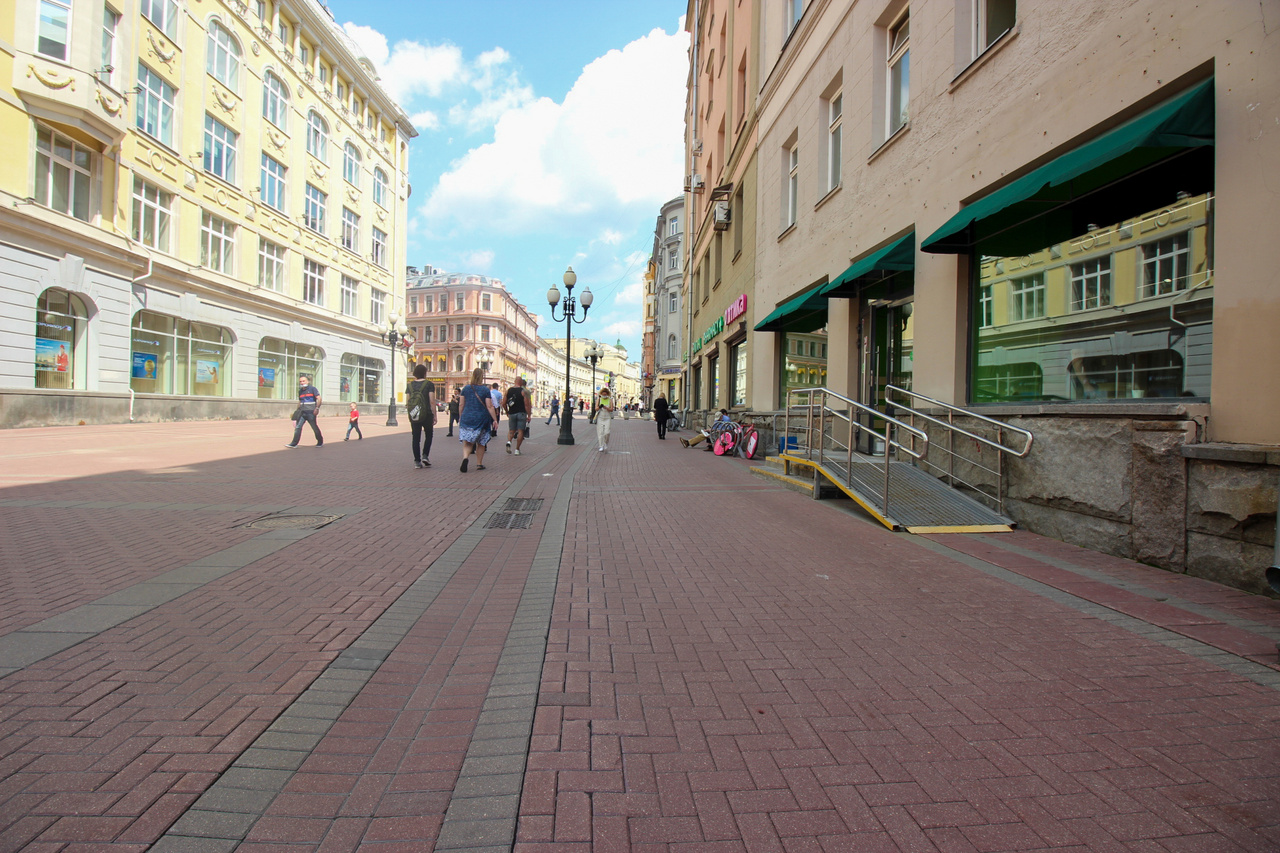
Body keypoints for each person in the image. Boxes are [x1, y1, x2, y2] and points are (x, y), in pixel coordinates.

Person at [458, 367, 499, 472]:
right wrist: (495, 419)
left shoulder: (466, 388)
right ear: (481, 377)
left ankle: (465, 458)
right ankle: (479, 463)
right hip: (481, 419)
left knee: (467, 441)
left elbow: (461, 404)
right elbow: (489, 406)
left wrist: (460, 416)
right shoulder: (485, 390)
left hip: (467, 417)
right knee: (481, 442)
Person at [406, 363, 437, 469]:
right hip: (427, 414)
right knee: (429, 435)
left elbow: (408, 402)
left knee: (415, 438)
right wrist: (434, 415)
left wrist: (411, 413)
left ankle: (417, 461)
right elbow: (432, 401)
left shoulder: (410, 385)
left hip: (414, 414)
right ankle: (425, 455)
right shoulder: (429, 384)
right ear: (424, 373)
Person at [285, 375, 323, 448]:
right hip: (302, 412)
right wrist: (297, 412)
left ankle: (320, 441)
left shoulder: (312, 389)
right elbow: (300, 401)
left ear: (307, 381)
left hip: (311, 412)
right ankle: (294, 443)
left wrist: (317, 408)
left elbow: (319, 398)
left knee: (314, 427)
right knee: (298, 427)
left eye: (303, 381)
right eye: (300, 381)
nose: (302, 383)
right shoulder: (300, 391)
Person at [504, 376, 529, 456]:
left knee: (511, 430)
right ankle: (517, 450)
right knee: (520, 431)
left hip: (512, 413)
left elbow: (503, 403)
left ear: (514, 381)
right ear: (521, 382)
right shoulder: (523, 391)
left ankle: (509, 441)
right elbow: (526, 404)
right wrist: (529, 414)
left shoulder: (508, 391)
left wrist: (507, 411)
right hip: (521, 413)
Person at [595, 386, 615, 452]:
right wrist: (600, 407)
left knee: (607, 432)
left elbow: (612, 409)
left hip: (607, 417)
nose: (604, 395)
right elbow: (596, 408)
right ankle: (601, 446)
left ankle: (605, 443)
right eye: (603, 394)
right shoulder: (599, 399)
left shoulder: (610, 400)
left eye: (605, 394)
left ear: (607, 394)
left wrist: (606, 408)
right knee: (600, 432)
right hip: (600, 417)